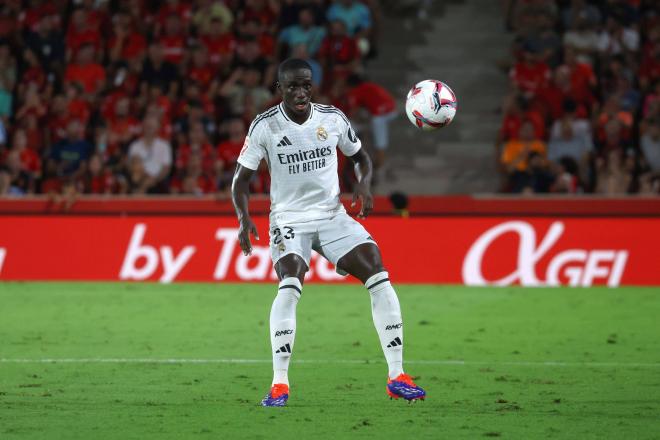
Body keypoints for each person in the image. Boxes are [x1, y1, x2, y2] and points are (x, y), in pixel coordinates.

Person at [231, 58, 426, 407]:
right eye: (292, 86)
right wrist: (244, 218)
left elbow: (361, 157)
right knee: (290, 283)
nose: (300, 92)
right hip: (289, 218)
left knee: (378, 271)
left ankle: (397, 375)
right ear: (280, 89)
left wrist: (364, 185)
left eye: (306, 84)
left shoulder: (332, 118)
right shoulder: (265, 126)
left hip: (331, 215)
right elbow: (240, 181)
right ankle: (279, 384)